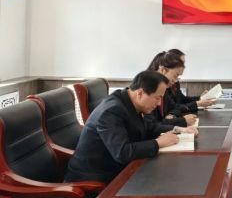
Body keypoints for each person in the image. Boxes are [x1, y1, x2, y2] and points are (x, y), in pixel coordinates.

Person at [65, 71, 198, 183]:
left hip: (119, 170)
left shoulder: (128, 101)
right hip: (94, 181)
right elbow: (122, 153)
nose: (158, 104)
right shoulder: (111, 111)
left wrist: (179, 130)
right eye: (157, 98)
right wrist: (158, 143)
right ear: (140, 93)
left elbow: (149, 128)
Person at [146, 51, 199, 127]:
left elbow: (174, 107)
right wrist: (182, 121)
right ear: (162, 70)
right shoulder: (147, 89)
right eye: (175, 75)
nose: (176, 80)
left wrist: (172, 115)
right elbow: (152, 125)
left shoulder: (163, 87)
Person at [154, 49, 216, 113]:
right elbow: (171, 109)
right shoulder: (160, 86)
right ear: (162, 70)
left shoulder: (170, 83)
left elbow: (181, 100)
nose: (183, 65)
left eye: (183, 63)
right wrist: (197, 104)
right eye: (181, 62)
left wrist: (200, 98)